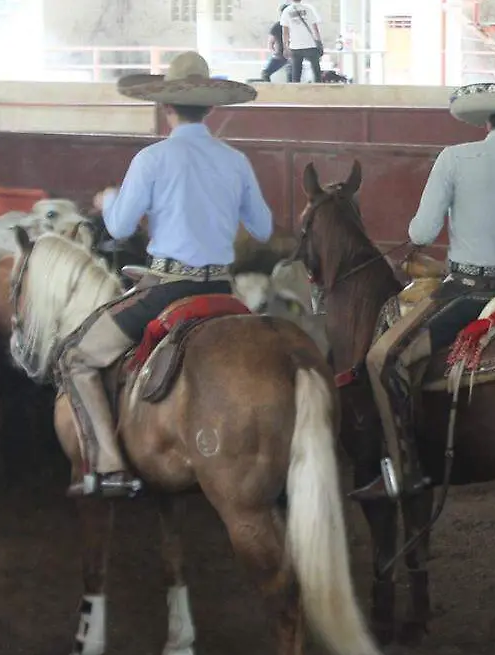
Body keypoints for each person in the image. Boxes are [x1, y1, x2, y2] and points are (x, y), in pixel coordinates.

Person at [348, 73, 495, 502]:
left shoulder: (455, 158)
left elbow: (421, 231)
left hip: (466, 295)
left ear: (487, 122)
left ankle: (405, 466)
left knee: (382, 358)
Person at [60, 51, 273, 499]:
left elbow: (120, 228)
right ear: (210, 107)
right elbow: (264, 228)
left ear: (166, 106)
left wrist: (109, 201)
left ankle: (109, 467)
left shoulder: (152, 159)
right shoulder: (235, 160)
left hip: (168, 289)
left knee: (76, 356)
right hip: (224, 289)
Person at [281, 0, 323, 84]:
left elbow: (285, 32)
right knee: (317, 73)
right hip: (310, 45)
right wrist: (319, 42)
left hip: (295, 46)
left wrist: (285, 47)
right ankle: (319, 90)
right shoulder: (309, 9)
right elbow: (315, 29)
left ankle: (296, 91)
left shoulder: (286, 11)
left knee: (296, 75)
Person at [262, 4, 291, 82]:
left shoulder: (294, 25)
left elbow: (270, 43)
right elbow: (270, 43)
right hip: (280, 55)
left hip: (293, 55)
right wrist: (274, 53)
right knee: (265, 73)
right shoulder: (277, 26)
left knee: (291, 74)